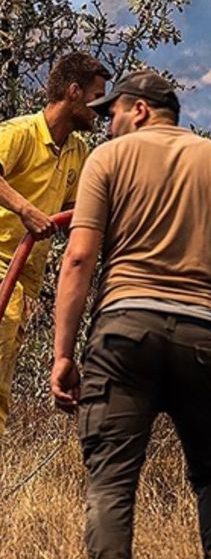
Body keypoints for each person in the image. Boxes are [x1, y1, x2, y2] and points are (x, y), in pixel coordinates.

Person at [49, 69, 211, 559]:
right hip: (203, 337)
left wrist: (63, 355)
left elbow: (79, 258)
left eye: (115, 113)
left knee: (111, 484)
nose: (108, 126)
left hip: (123, 337)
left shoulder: (106, 160)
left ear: (140, 110)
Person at [0, 51, 108, 434]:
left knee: (2, 383)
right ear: (74, 92)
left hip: (26, 279)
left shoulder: (78, 151)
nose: (102, 108)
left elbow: (78, 213)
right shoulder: (20, 133)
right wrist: (26, 210)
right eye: (98, 97)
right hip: (1, 265)